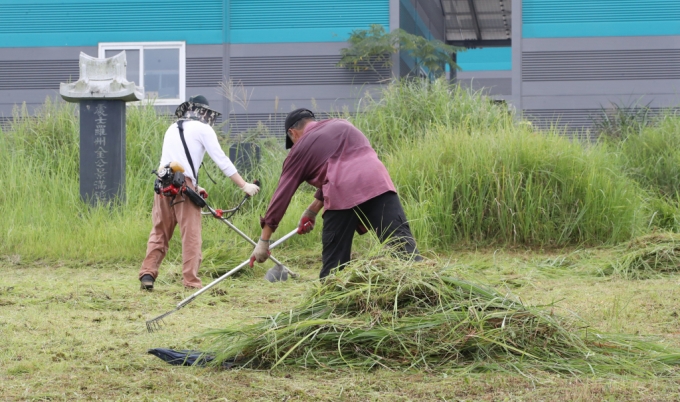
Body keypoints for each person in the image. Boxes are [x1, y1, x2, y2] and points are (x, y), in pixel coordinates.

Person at [250, 108, 421, 279]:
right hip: (379, 182)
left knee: (334, 269)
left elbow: (282, 195)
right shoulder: (343, 124)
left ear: (292, 133)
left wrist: (264, 241)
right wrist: (312, 210)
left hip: (343, 194)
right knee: (403, 248)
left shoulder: (301, 147)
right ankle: (424, 290)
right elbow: (343, 166)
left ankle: (329, 301)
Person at [139, 95, 259, 290]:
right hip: (183, 188)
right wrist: (243, 185)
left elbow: (170, 161)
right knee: (191, 235)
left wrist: (196, 186)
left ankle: (147, 274)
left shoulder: (172, 128)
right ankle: (191, 283)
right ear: (204, 113)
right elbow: (222, 160)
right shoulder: (204, 129)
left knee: (160, 232)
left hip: (162, 184)